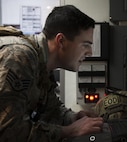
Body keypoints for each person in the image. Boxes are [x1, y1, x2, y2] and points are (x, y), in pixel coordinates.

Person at [0, 5, 103, 142]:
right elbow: (8, 130)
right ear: (61, 41)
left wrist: (73, 118)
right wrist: (70, 130)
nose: (89, 52)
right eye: (85, 44)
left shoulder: (42, 64)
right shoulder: (19, 56)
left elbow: (51, 109)